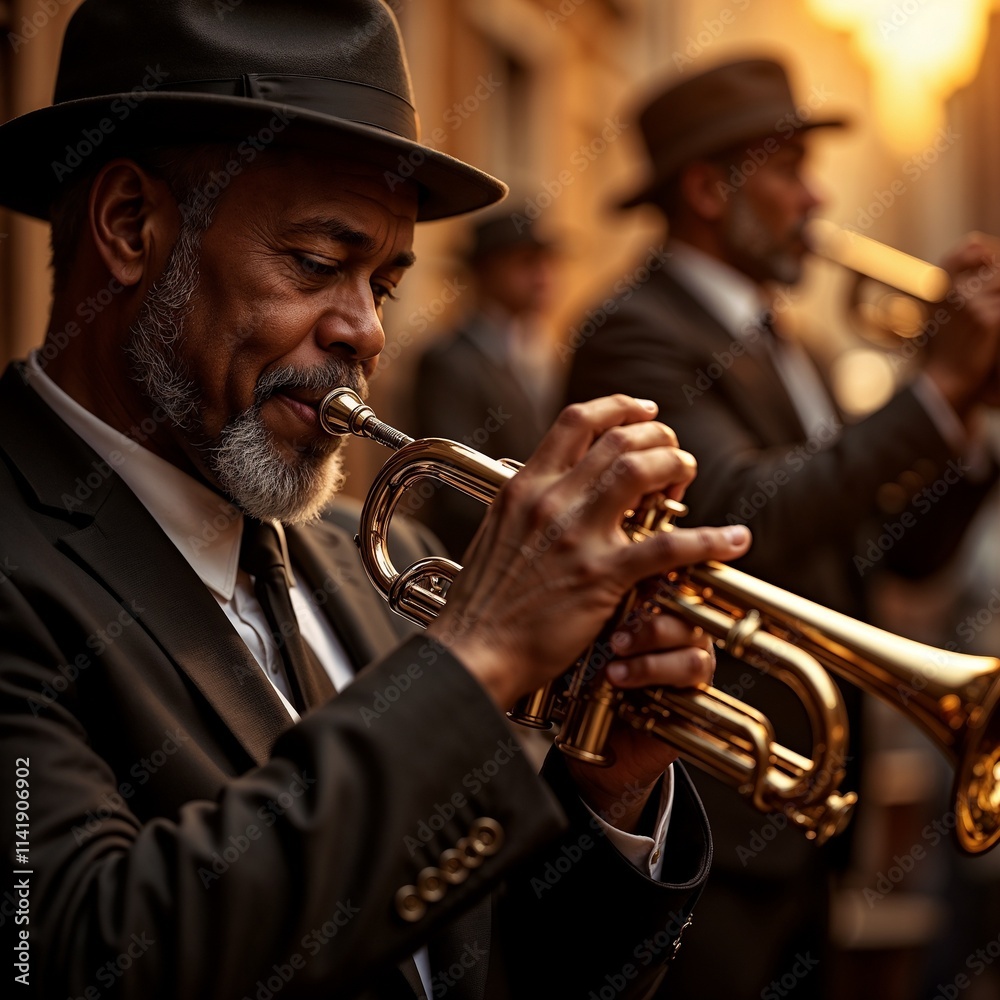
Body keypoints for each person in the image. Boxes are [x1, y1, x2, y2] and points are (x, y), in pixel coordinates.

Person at [0, 3, 758, 999]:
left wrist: (606, 795)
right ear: (131, 226)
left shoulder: (369, 557)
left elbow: (484, 968)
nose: (367, 331)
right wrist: (479, 653)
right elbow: (78, 959)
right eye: (318, 265)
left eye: (384, 285)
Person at [562, 56, 1000, 1000]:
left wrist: (966, 420)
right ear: (707, 189)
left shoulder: (788, 341)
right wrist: (937, 388)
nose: (818, 198)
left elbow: (892, 553)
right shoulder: (632, 332)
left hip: (803, 812)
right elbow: (741, 516)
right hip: (709, 811)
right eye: (791, 169)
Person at [408, 210, 561, 559]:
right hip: (471, 556)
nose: (543, 277)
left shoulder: (536, 354)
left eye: (546, 263)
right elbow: (456, 484)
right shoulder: (448, 361)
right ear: (485, 270)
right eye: (526, 263)